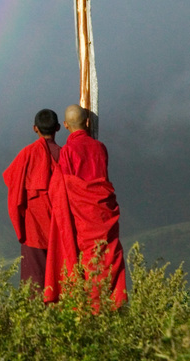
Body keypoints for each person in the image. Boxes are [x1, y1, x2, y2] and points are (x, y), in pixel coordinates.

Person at [43, 104, 127, 309]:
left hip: (82, 217)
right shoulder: (100, 148)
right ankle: (112, 306)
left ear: (65, 125)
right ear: (87, 122)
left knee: (87, 263)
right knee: (108, 256)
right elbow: (101, 181)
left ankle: (90, 309)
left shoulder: (68, 151)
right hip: (103, 214)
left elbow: (63, 189)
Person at [2, 108, 62, 290]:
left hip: (33, 226)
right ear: (58, 127)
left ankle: (34, 316)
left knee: (34, 281)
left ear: (34, 128)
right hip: (59, 224)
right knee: (61, 275)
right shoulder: (65, 154)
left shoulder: (27, 154)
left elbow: (11, 181)